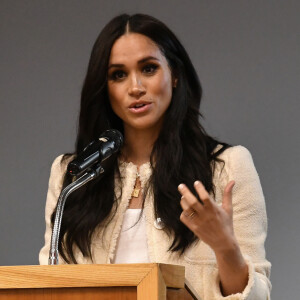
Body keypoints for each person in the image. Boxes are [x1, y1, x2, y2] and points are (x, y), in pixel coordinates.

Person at [39, 14, 271, 299]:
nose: (135, 87)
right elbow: (48, 284)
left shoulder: (228, 167)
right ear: (105, 88)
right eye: (118, 75)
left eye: (148, 69)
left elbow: (258, 297)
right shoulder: (72, 174)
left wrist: (225, 247)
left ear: (174, 75)